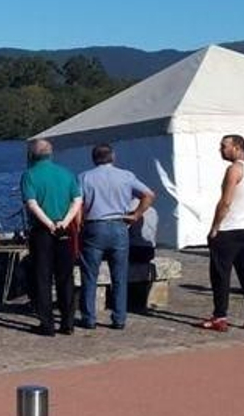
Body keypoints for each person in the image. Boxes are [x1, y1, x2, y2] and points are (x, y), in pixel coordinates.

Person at [75, 144, 155, 330]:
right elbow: (149, 194)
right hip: (119, 225)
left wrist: (80, 226)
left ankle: (89, 317)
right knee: (119, 275)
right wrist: (136, 214)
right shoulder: (126, 176)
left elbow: (78, 204)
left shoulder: (84, 177)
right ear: (113, 157)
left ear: (93, 158)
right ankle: (119, 318)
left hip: (95, 225)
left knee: (90, 274)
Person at [201, 134, 244, 332]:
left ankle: (220, 315)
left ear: (237, 147)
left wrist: (215, 227)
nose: (221, 150)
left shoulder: (235, 169)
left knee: (221, 274)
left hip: (229, 229)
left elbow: (226, 201)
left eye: (224, 146)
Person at [21, 138, 83, 336]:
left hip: (42, 230)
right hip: (64, 227)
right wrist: (65, 222)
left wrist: (48, 223)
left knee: (43, 277)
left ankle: (47, 324)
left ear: (32, 155)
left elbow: (31, 203)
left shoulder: (29, 175)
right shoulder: (66, 173)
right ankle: (68, 322)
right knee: (65, 277)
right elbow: (77, 200)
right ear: (51, 153)